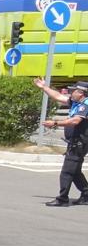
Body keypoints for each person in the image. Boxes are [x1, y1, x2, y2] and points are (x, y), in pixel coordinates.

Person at [34, 78, 88, 206]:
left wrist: (55, 123)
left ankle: (62, 199)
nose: (71, 93)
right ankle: (86, 195)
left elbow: (75, 121)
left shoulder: (85, 104)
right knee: (74, 171)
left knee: (67, 171)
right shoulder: (76, 102)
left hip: (80, 143)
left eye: (73, 91)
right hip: (75, 142)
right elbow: (58, 96)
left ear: (81, 93)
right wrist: (43, 87)